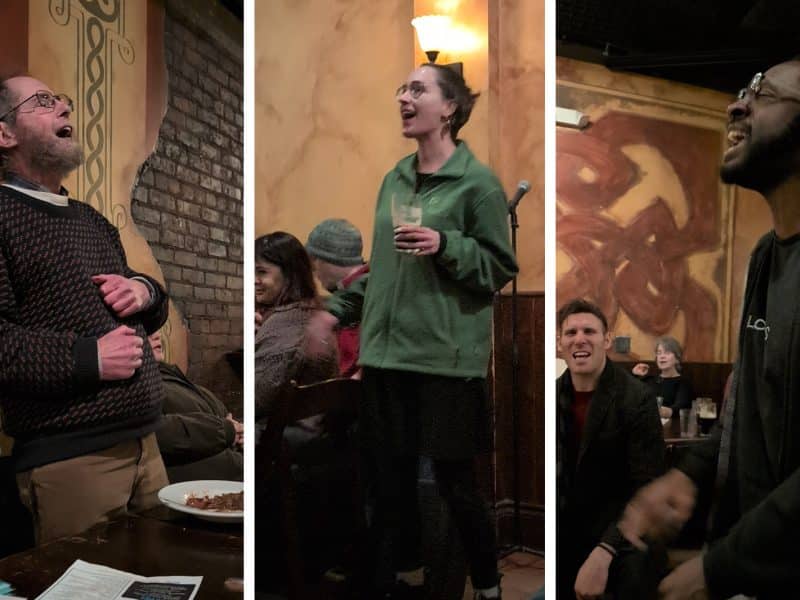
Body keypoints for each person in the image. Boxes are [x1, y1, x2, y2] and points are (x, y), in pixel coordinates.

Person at [309, 63, 518, 600]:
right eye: (402, 88)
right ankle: (409, 580)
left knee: (456, 486)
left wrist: (446, 245)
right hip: (385, 358)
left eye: (417, 89)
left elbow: (499, 267)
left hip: (444, 362)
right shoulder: (394, 178)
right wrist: (338, 310)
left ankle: (489, 587)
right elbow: (383, 269)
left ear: (449, 108)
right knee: (391, 486)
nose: (403, 96)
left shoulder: (480, 185)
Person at [619, 60, 800, 600]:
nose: (736, 104)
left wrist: (725, 566)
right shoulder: (766, 257)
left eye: (763, 93)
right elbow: (747, 406)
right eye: (743, 89)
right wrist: (688, 474)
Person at [0, 75, 169, 543]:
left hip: (146, 444)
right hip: (70, 458)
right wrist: (87, 358)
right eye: (44, 102)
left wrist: (143, 292)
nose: (64, 110)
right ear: (5, 134)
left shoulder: (92, 221)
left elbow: (147, 309)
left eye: (64, 102)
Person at [556, 299, 666, 600]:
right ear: (559, 344)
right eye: (571, 332)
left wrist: (605, 550)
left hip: (624, 532)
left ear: (606, 340)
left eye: (589, 331)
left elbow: (648, 488)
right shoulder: (552, 395)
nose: (579, 338)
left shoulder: (637, 398)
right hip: (569, 532)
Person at [254, 231, 338, 421]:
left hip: (282, 440)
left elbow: (256, 401)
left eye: (261, 271)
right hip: (314, 434)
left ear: (290, 274)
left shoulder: (285, 324)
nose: (253, 280)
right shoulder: (311, 312)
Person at [150, 332, 243, 483]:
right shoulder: (141, 388)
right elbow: (156, 434)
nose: (157, 335)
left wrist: (239, 433)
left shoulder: (173, 378)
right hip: (198, 493)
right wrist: (226, 431)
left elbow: (226, 418)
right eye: (147, 331)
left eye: (156, 329)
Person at [305, 218, 369, 378]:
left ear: (326, 259)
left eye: (313, 262)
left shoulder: (368, 290)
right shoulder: (345, 295)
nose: (315, 273)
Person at [631, 336, 694, 418]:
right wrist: (634, 375)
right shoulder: (649, 380)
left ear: (677, 359)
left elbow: (680, 408)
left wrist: (657, 410)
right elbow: (629, 397)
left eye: (667, 352)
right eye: (659, 353)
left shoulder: (683, 383)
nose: (662, 356)